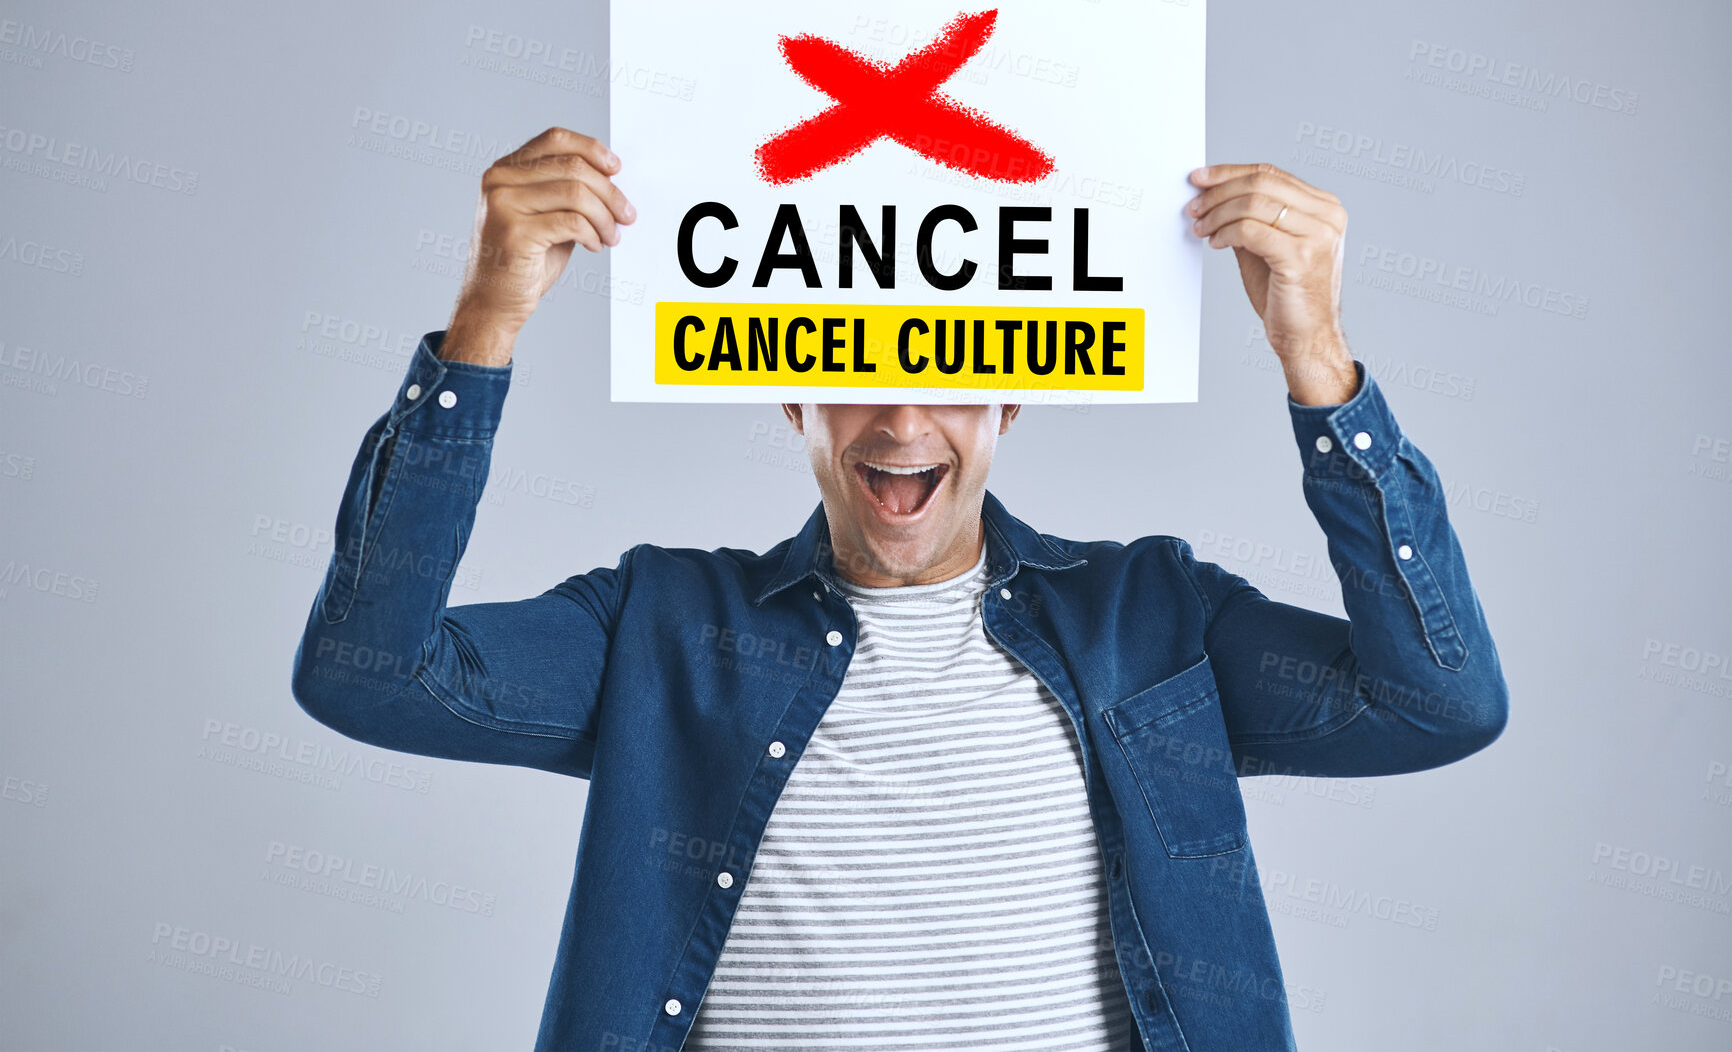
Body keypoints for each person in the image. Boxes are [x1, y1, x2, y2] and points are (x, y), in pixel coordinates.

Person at [292, 127, 1508, 1052]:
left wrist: (1316, 363)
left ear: (1014, 394)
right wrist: (485, 323)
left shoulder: (1154, 615)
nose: (902, 418)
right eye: (857, 369)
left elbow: (1437, 705)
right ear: (792, 392)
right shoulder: (660, 625)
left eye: (952, 369)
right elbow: (368, 675)